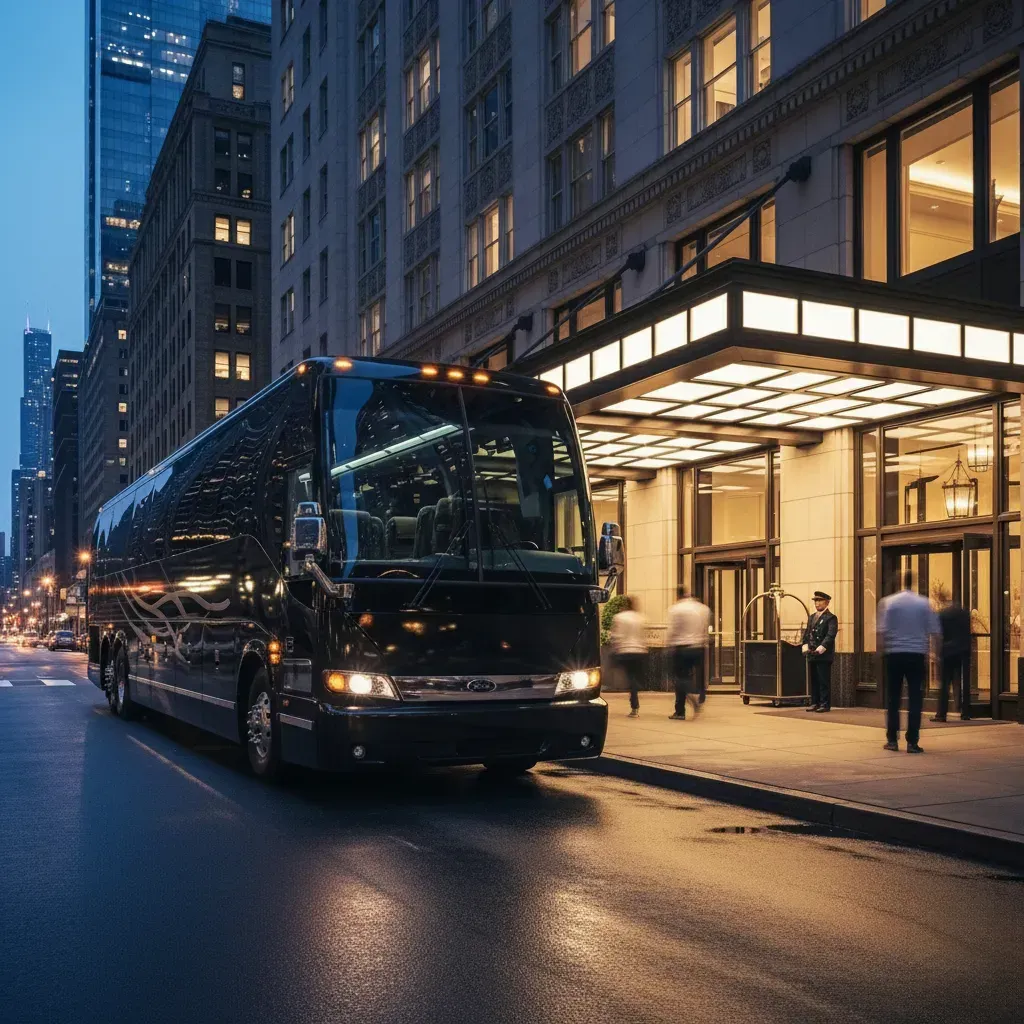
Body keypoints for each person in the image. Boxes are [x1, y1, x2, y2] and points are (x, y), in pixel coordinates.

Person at [877, 570, 940, 753]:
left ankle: (892, 740)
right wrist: (936, 655)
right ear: (914, 582)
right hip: (916, 655)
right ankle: (912, 741)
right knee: (915, 699)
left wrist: (881, 652)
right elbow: (935, 632)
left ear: (898, 582)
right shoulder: (924, 603)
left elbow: (881, 631)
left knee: (893, 698)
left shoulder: (888, 602)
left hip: (895, 654)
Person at [665, 586, 711, 720]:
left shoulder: (676, 609)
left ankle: (681, 710)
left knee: (680, 679)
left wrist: (668, 645)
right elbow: (705, 629)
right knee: (697, 675)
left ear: (678, 595)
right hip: (699, 647)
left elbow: (672, 630)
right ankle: (701, 693)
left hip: (682, 648)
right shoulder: (703, 608)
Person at [933, 588, 972, 722]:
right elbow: (968, 633)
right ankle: (965, 712)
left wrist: (937, 652)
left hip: (948, 651)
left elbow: (939, 635)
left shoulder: (942, 614)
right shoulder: (964, 613)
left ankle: (941, 714)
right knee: (963, 682)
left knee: (944, 683)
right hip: (963, 651)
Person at [609, 596, 647, 718]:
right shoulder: (640, 618)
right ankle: (635, 704)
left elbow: (616, 636)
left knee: (631, 679)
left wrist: (614, 650)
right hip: (640, 651)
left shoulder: (620, 617)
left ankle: (634, 706)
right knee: (633, 678)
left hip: (626, 651)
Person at [802, 590, 838, 712]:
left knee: (823, 680)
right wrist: (805, 646)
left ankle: (825, 704)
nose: (817, 603)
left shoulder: (831, 618)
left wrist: (822, 647)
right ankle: (815, 702)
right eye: (815, 601)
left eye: (819, 601)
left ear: (827, 603)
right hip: (812, 653)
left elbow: (830, 635)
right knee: (814, 680)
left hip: (823, 654)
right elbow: (807, 633)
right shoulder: (812, 617)